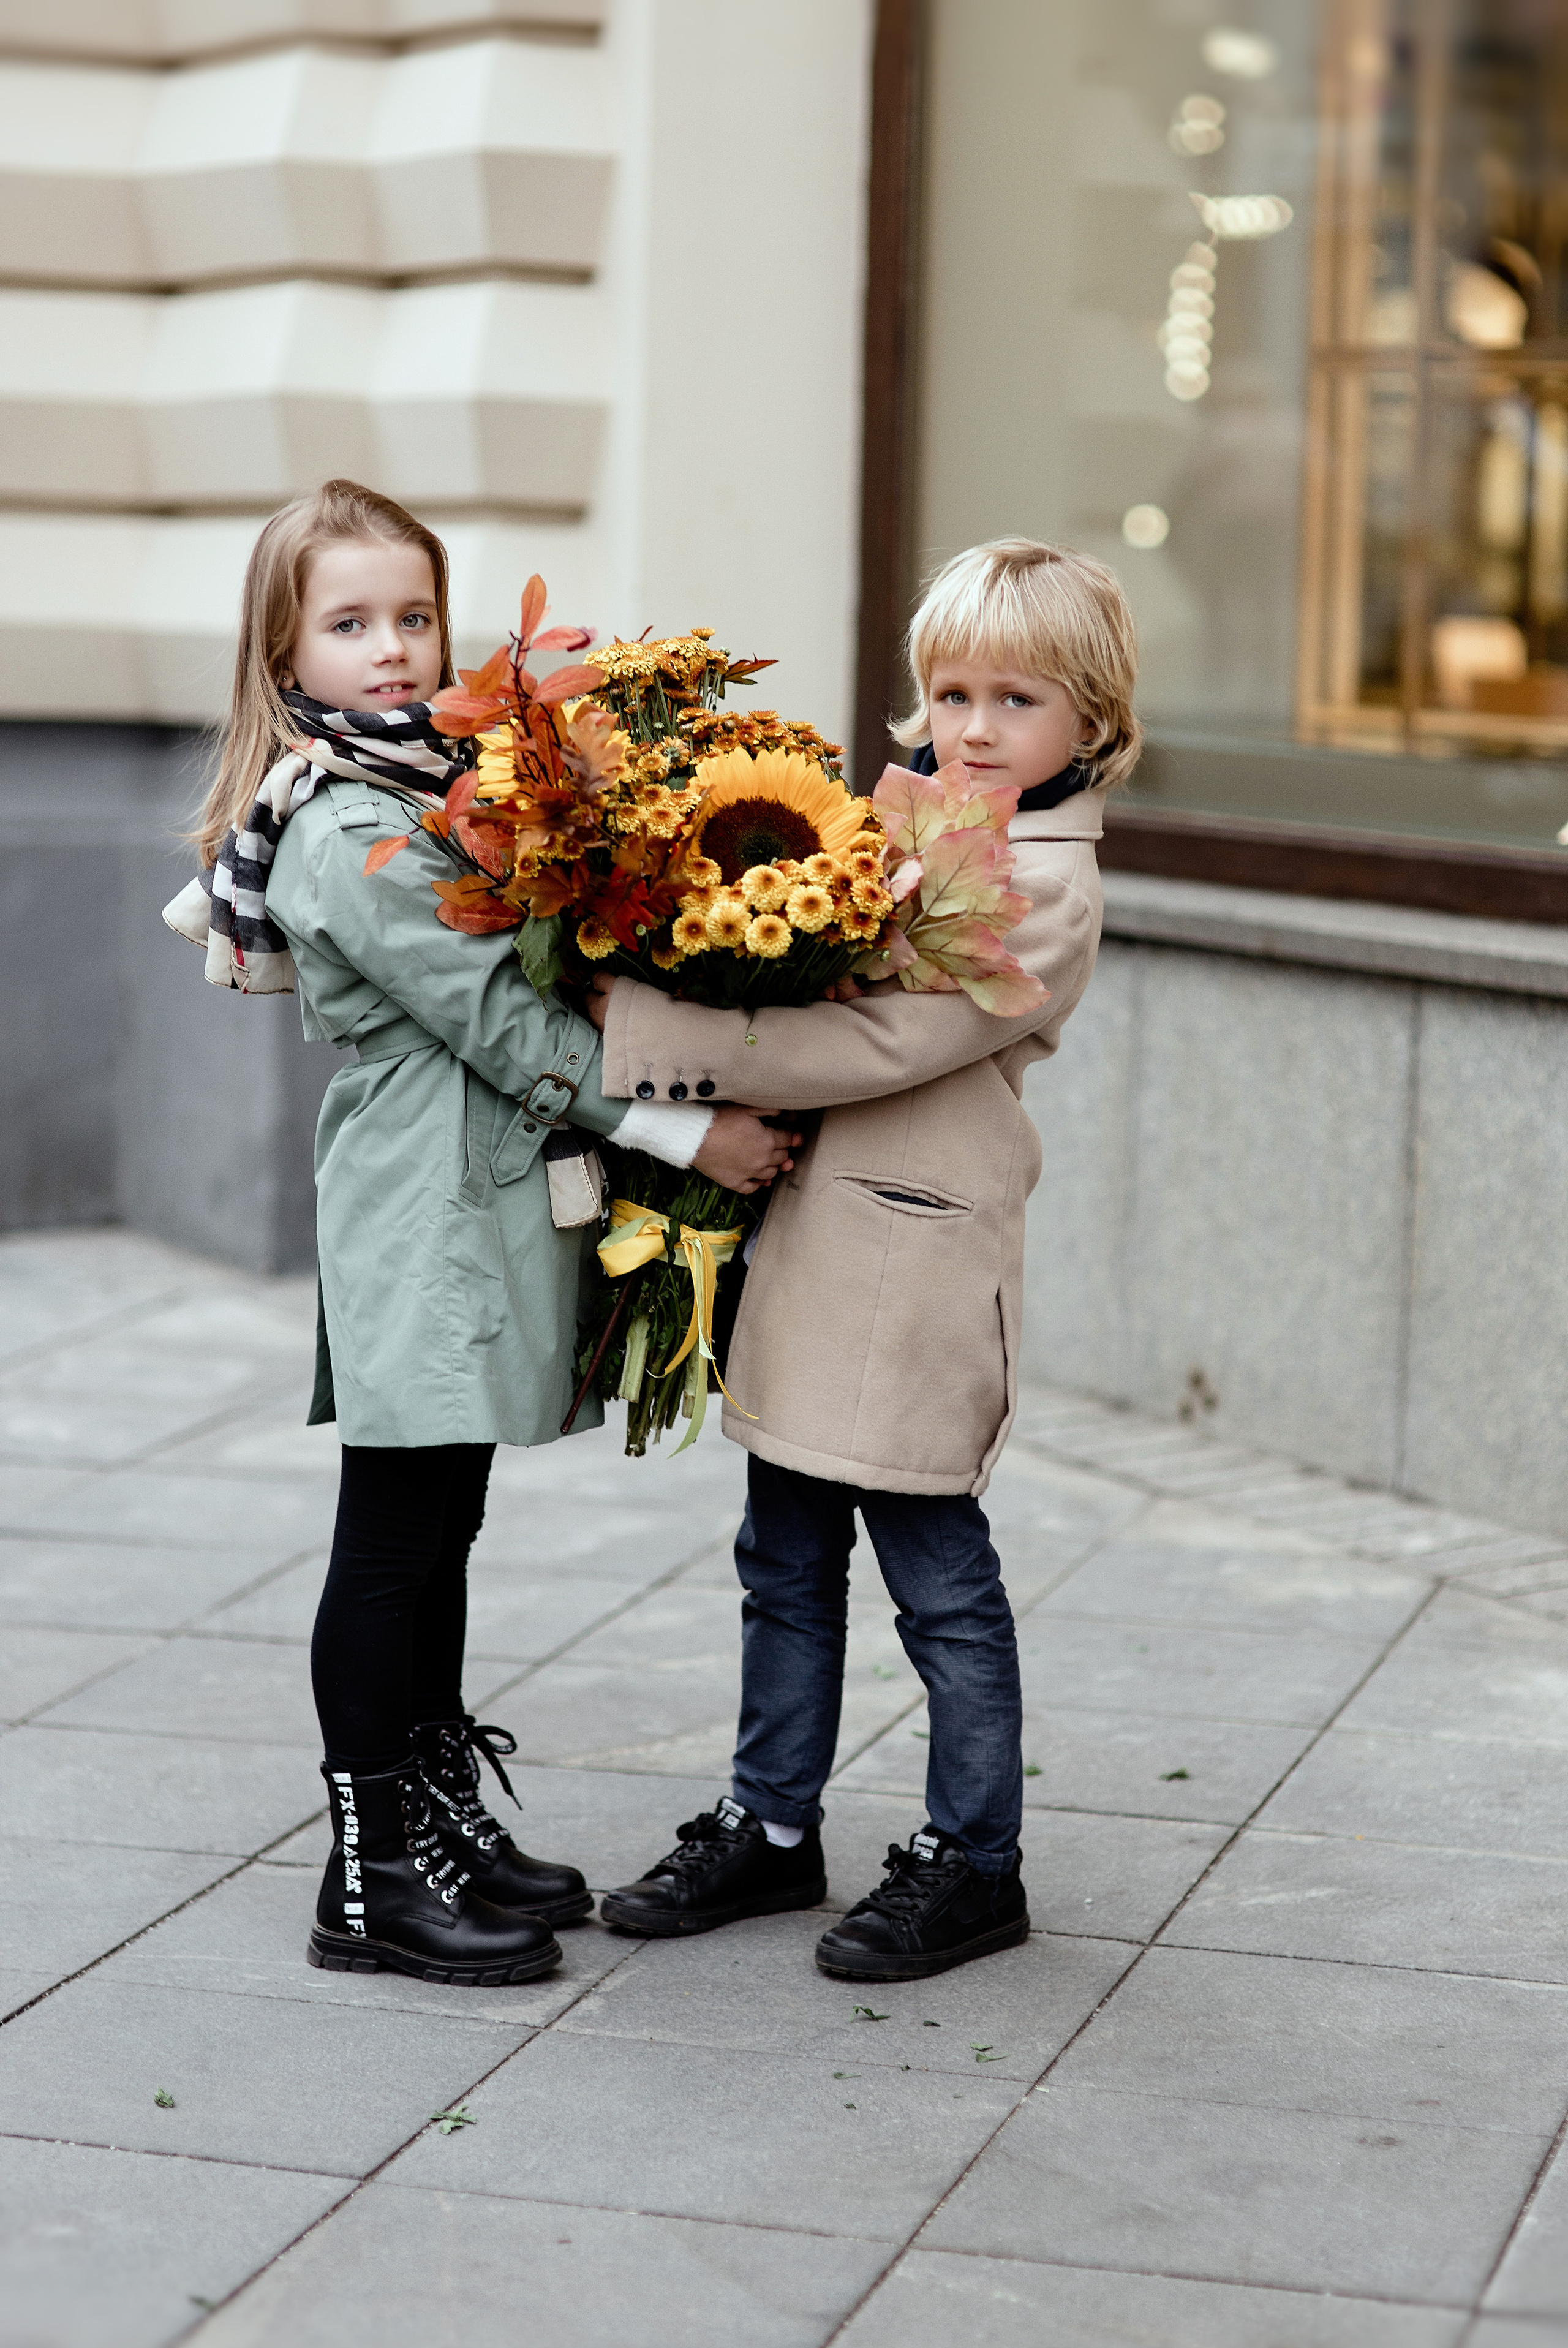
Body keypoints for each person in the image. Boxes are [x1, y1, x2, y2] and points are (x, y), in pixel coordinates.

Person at [168, 479, 790, 1986]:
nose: (391, 647)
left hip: (475, 1192)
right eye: (349, 621)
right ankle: (369, 1879)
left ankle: (432, 1817)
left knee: (438, 1522)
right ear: (282, 653)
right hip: (421, 1201)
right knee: (390, 1536)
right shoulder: (338, 829)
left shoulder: (438, 783)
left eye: (413, 615)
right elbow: (495, 1020)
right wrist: (684, 1126)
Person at [589, 538, 1141, 1980]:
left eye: (1011, 699)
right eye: (946, 692)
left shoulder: (1042, 888)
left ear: (1091, 721)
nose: (968, 727)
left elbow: (886, 1039)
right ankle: (769, 1827)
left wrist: (658, 1038)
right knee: (782, 1554)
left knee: (932, 1567)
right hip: (816, 1229)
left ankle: (974, 1860)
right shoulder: (895, 830)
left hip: (911, 1253)